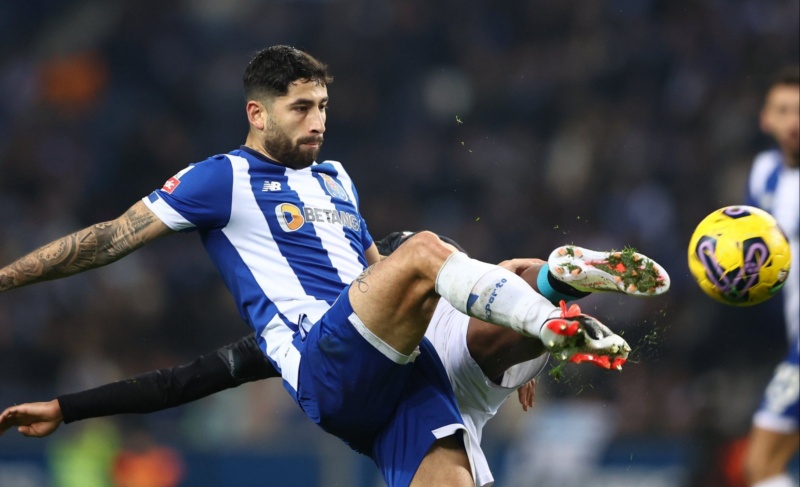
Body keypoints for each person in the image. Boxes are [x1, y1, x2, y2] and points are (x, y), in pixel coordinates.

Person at [0, 45, 668, 486]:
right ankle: (549, 318)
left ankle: (543, 296)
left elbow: (389, 279)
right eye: (301, 108)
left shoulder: (337, 178)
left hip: (396, 377)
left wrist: (512, 336)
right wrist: (8, 282)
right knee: (431, 251)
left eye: (322, 105)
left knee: (478, 276)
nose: (318, 120)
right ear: (256, 113)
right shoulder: (223, 179)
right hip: (329, 359)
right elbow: (108, 240)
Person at [1, 232, 668, 486]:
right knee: (494, 290)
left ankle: (544, 304)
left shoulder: (283, 334)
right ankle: (552, 289)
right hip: (455, 341)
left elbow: (176, 383)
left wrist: (67, 407)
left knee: (457, 296)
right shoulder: (353, 259)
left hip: (428, 367)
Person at [742, 66, 800, 487]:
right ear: (767, 119)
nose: (794, 122)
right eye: (785, 110)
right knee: (762, 466)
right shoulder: (764, 173)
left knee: (760, 463)